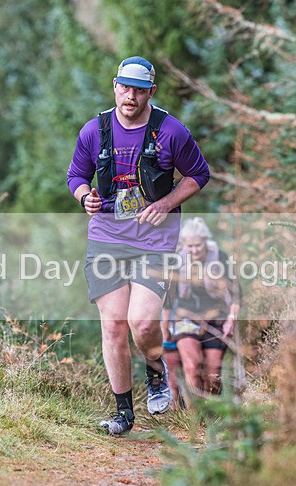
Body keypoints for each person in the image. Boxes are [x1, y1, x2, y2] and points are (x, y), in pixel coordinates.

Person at [66, 56, 211, 436]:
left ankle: (155, 370)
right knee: (114, 327)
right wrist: (85, 198)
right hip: (107, 237)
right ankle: (123, 413)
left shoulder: (171, 132)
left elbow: (199, 174)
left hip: (154, 240)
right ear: (114, 85)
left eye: (139, 90)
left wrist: (165, 204)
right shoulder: (94, 130)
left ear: (152, 92)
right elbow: (76, 176)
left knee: (142, 323)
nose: (130, 96)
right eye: (125, 87)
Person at [164, 217, 240, 398]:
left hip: (216, 318)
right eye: (190, 246)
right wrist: (165, 325)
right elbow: (170, 296)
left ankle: (212, 414)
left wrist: (231, 319)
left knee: (212, 374)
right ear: (184, 245)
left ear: (205, 242)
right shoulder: (178, 260)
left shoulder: (220, 258)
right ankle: (194, 418)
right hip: (186, 317)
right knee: (192, 366)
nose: (194, 250)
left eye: (198, 245)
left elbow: (236, 293)